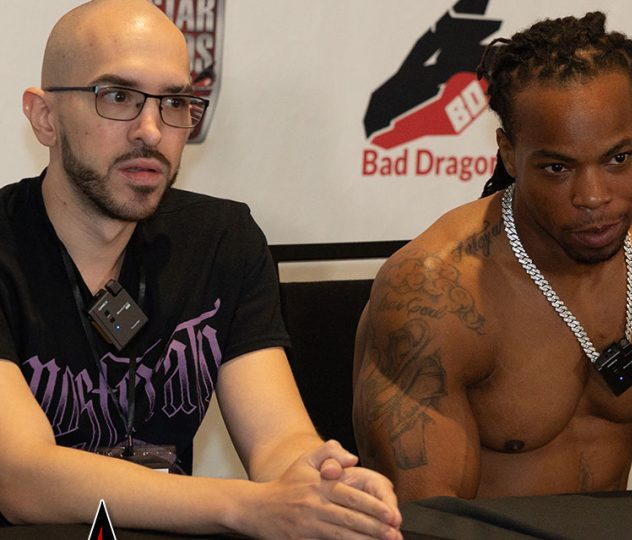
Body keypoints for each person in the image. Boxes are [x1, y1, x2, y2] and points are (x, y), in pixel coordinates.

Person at [0, 1, 402, 537]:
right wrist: (247, 506)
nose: (151, 130)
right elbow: (21, 477)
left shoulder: (222, 239)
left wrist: (322, 483)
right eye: (117, 96)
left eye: (174, 101)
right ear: (44, 116)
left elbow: (278, 440)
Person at [353, 12, 632, 501]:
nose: (594, 197)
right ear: (509, 153)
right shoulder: (437, 294)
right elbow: (430, 517)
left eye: (618, 158)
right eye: (558, 167)